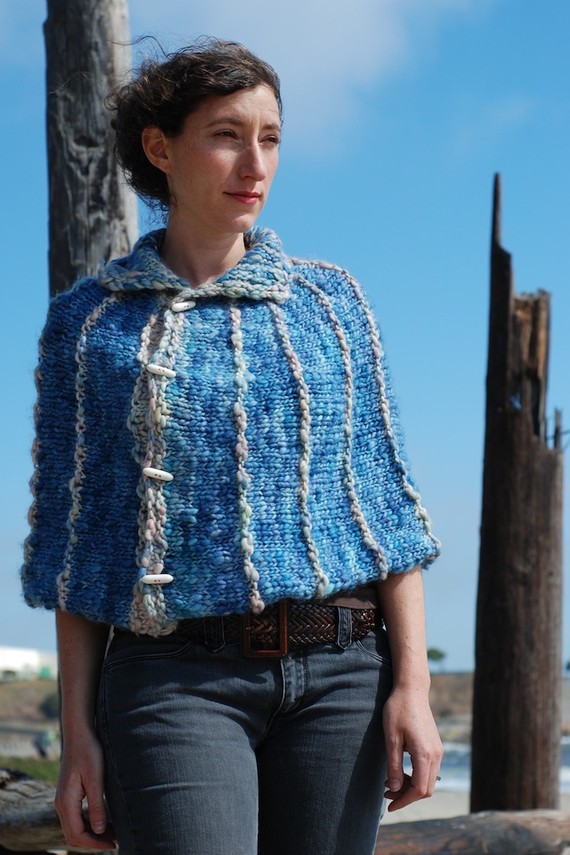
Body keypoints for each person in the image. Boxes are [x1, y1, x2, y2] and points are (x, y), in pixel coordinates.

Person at [21, 38, 443, 855]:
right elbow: (81, 552)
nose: (256, 164)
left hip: (344, 675)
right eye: (227, 135)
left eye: (271, 138)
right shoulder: (90, 324)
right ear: (160, 148)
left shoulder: (332, 305)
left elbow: (388, 519)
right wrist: (77, 737)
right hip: (175, 678)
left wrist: (414, 689)